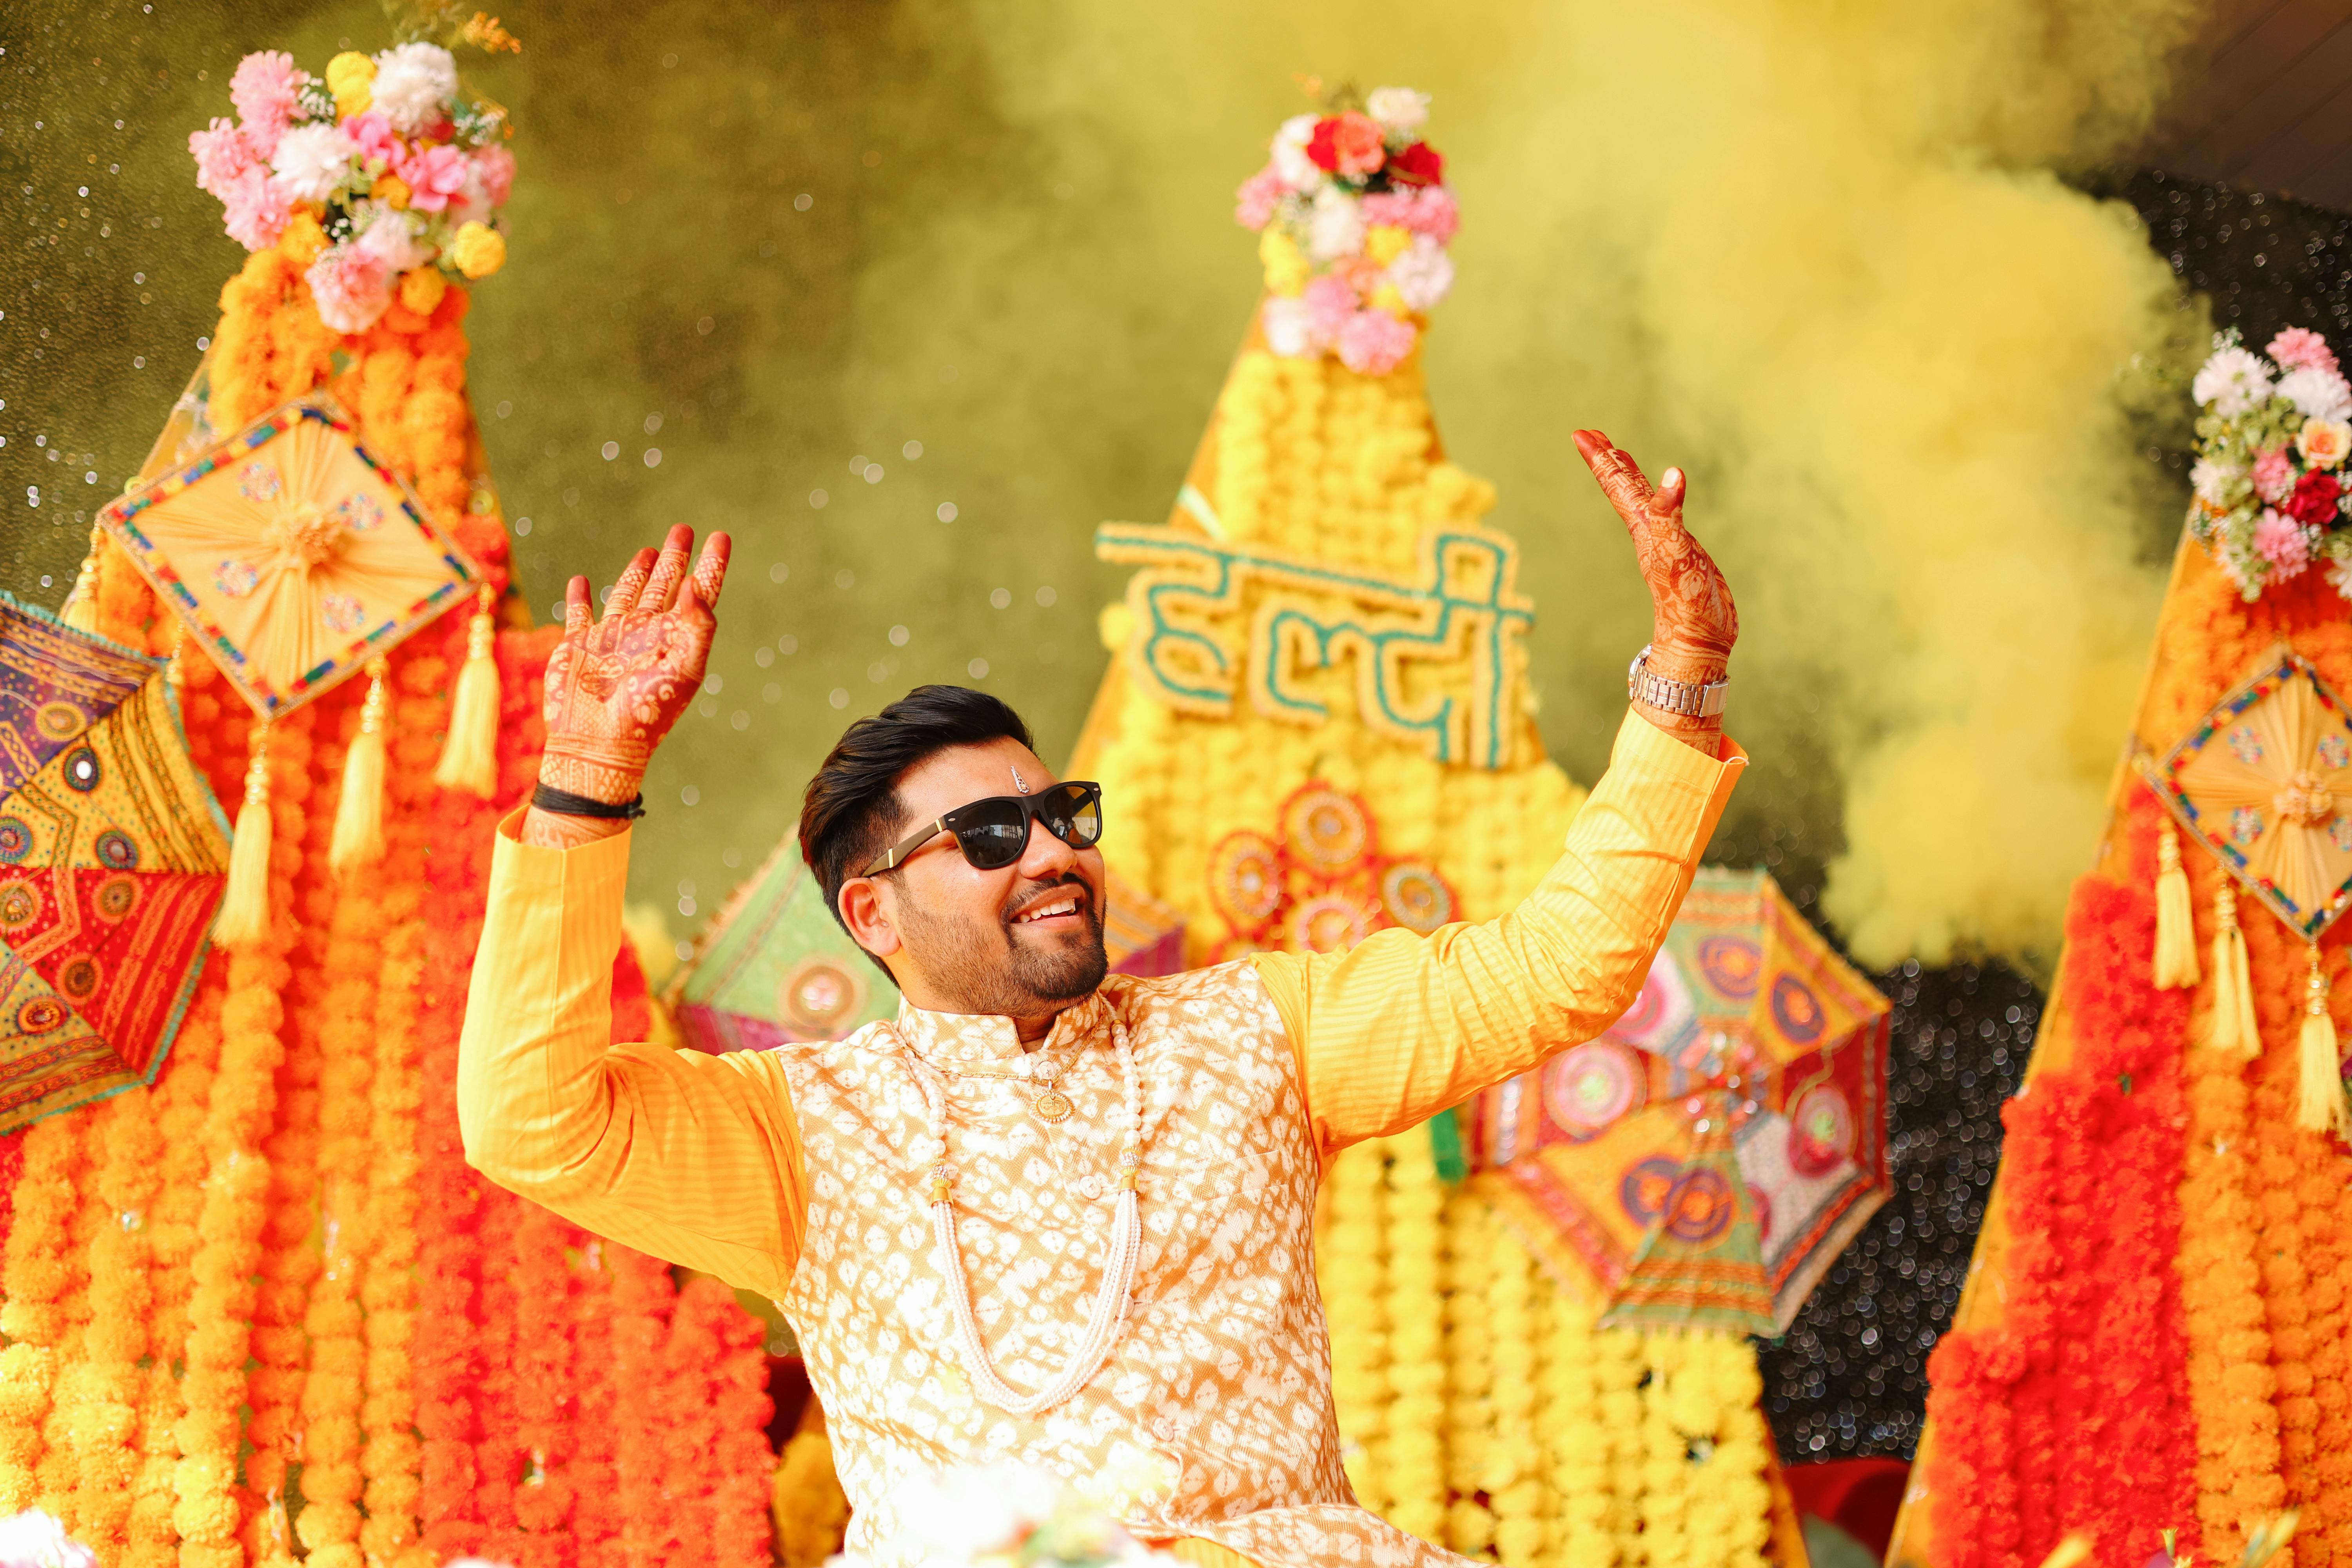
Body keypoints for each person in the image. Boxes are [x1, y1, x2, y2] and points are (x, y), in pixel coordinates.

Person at [457, 430, 1745, 1568]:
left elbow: (1561, 966)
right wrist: (585, 778)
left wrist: (1682, 675)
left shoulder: (1261, 1035)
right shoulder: (800, 1130)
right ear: (873, 915)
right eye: (989, 835)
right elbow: (529, 1121)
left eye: (1062, 815)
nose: (1051, 851)